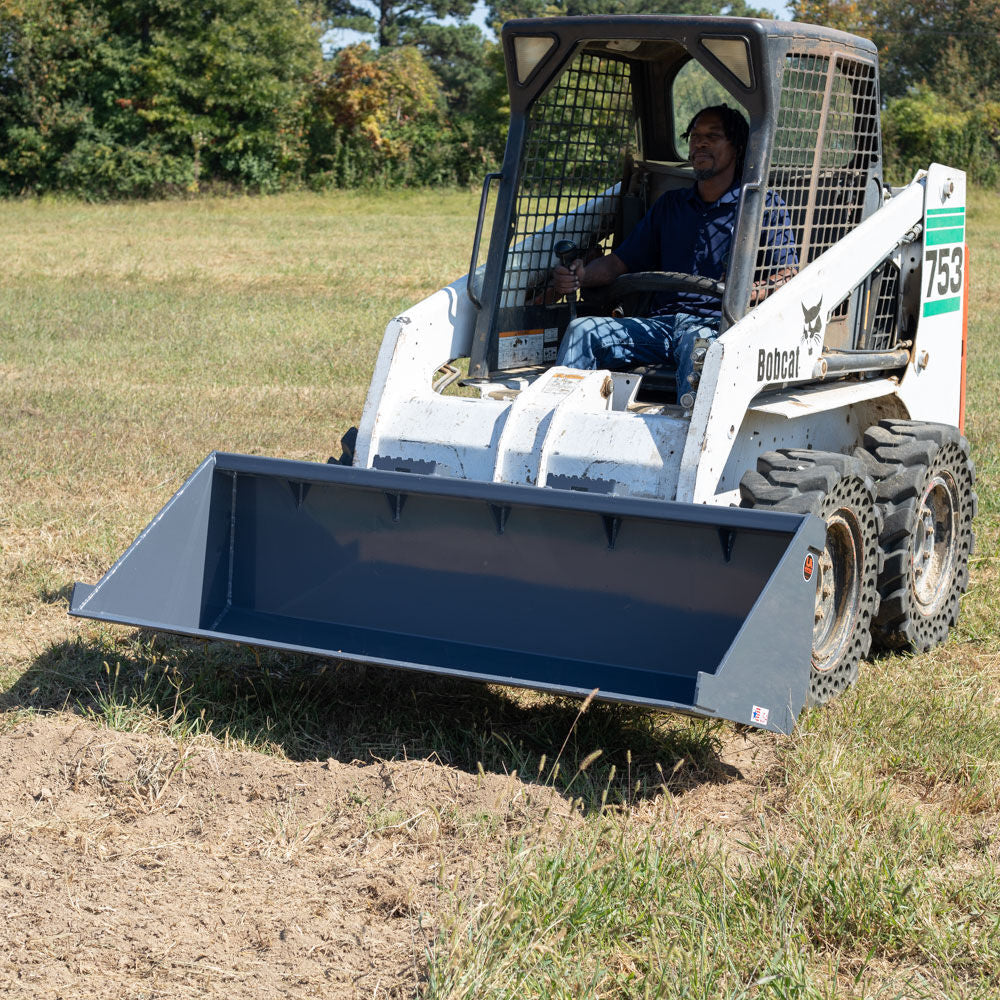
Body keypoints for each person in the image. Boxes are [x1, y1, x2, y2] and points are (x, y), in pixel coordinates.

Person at [553, 104, 798, 399]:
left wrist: (751, 291)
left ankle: (688, 437)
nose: (700, 143)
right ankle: (564, 426)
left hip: (717, 327)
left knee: (699, 349)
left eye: (713, 136)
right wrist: (580, 275)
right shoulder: (671, 205)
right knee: (583, 331)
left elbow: (789, 275)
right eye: (695, 137)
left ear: (738, 147)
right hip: (661, 324)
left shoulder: (763, 206)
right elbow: (618, 263)